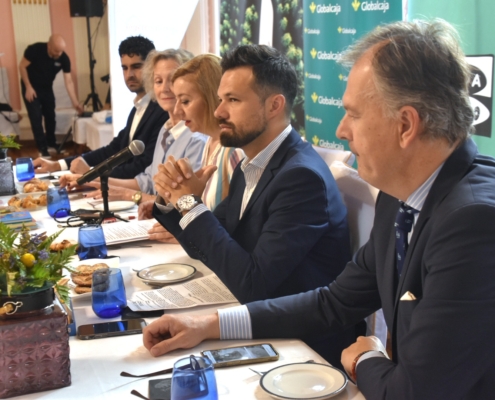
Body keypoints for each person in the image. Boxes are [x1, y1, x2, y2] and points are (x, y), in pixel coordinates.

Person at [142, 20, 495, 399]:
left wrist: (366, 359)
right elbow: (333, 301)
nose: (341, 130)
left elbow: (415, 392)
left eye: (354, 114)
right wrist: (208, 324)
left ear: (406, 125)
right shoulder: (401, 195)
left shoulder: (471, 223)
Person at [150, 44, 355, 367]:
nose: (219, 112)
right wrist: (170, 199)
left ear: (274, 105)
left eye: (233, 100)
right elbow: (204, 247)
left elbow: (253, 285)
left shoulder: (300, 177)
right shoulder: (254, 162)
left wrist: (189, 204)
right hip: (262, 325)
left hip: (303, 349)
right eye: (220, 100)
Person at [59, 49, 207, 208]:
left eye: (171, 80)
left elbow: (185, 204)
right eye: (158, 81)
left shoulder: (196, 138)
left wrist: (129, 195)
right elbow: (147, 180)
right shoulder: (166, 129)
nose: (164, 88)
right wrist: (91, 179)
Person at [137, 54, 245, 243]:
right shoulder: (210, 144)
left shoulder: (233, 151)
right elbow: (200, 208)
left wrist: (185, 233)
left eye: (185, 101)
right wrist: (165, 203)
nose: (177, 111)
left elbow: (236, 230)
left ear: (212, 98)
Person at [32, 36, 168, 179]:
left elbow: (142, 166)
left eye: (136, 66)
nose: (129, 75)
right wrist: (58, 165)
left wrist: (91, 173)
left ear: (151, 68)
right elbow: (113, 149)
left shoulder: (162, 110)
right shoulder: (137, 109)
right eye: (124, 68)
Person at [19, 34, 83, 157]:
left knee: (50, 116)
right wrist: (28, 86)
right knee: (36, 117)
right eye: (56, 50)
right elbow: (22, 66)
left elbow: (68, 81)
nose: (59, 54)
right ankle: (42, 148)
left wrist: (75, 103)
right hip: (31, 88)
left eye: (61, 51)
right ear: (49, 46)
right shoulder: (34, 50)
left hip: (46, 88)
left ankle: (52, 144)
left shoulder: (63, 58)